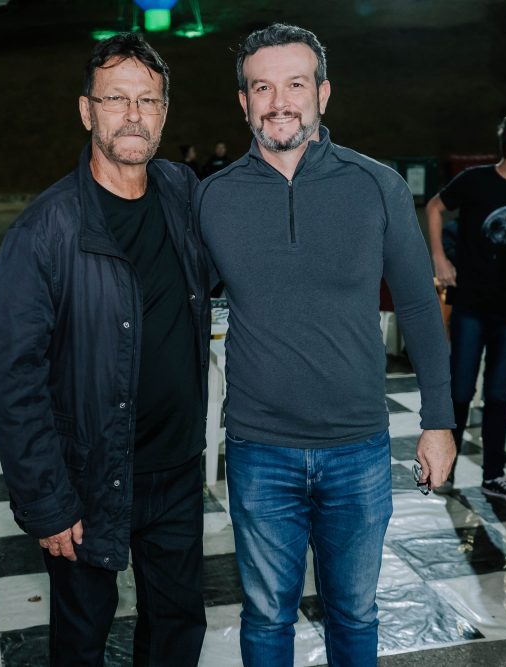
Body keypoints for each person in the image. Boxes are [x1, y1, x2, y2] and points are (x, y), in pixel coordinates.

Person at [195, 23, 456, 666]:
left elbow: (419, 307)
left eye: (295, 84)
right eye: (262, 87)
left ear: (323, 93)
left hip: (357, 448)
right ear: (243, 101)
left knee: (355, 613)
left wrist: (440, 422)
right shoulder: (215, 198)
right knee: (266, 617)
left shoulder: (377, 185)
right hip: (259, 447)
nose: (279, 101)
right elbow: (180, 310)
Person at [0, 33, 210, 666]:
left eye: (148, 100)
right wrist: (46, 502)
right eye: (116, 99)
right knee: (82, 640)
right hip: (87, 479)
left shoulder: (183, 194)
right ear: (87, 111)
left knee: (177, 630)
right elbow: (15, 379)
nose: (133, 115)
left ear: (164, 113)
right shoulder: (43, 231)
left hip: (176, 471)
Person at [426, 110, 506, 503]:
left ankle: (493, 477)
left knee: (499, 394)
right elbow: (434, 207)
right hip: (472, 307)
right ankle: (444, 470)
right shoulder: (475, 180)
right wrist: (439, 259)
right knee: (461, 390)